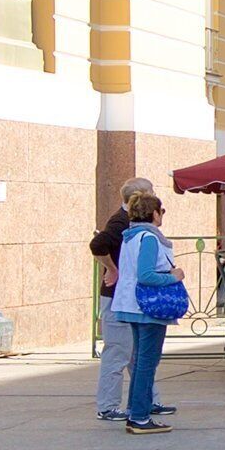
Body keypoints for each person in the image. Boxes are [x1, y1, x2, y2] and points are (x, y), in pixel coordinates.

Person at [104, 187, 180, 433]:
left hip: (131, 304)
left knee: (140, 362)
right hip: (148, 306)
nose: (162, 215)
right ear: (154, 213)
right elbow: (146, 275)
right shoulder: (149, 238)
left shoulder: (130, 236)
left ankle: (138, 410)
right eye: (161, 211)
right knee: (147, 362)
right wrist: (174, 277)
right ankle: (139, 416)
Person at [92, 178, 164, 420]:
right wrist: (112, 269)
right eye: (151, 192)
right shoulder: (120, 222)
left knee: (137, 354)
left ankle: (146, 400)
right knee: (118, 352)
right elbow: (98, 244)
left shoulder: (133, 224)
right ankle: (108, 405)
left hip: (128, 298)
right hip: (117, 298)